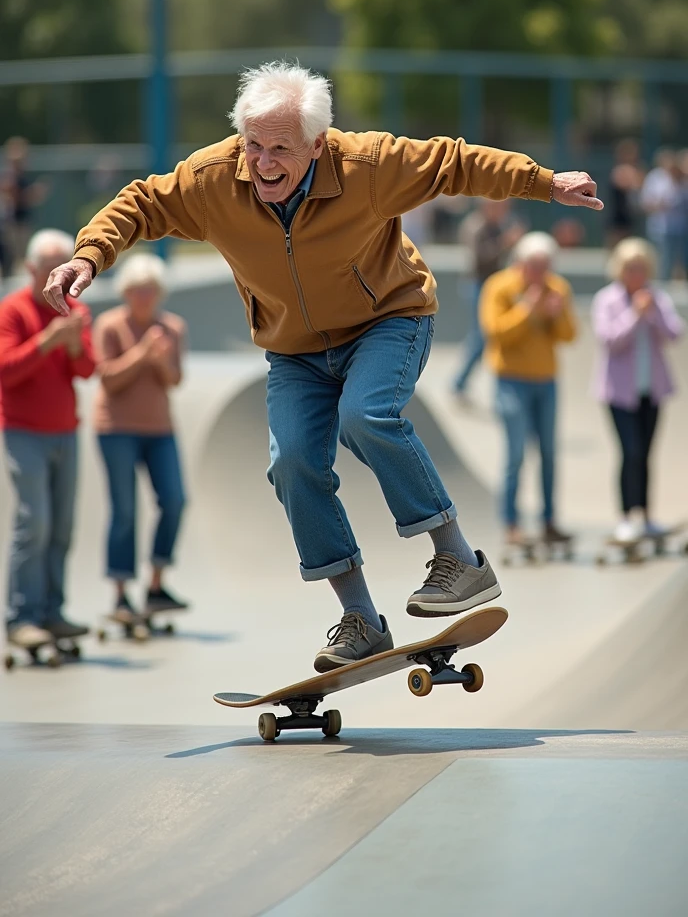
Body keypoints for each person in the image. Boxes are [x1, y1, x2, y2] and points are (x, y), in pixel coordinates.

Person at [43, 61, 603, 672]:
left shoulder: (367, 165)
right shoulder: (213, 180)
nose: (263, 164)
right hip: (294, 350)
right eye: (253, 146)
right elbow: (143, 202)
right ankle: (360, 617)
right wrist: (89, 256)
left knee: (365, 415)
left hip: (388, 319)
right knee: (292, 464)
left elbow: (455, 161)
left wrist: (546, 182)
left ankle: (458, 560)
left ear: (317, 143)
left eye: (281, 149)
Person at [0, 230, 94, 649]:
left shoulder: (75, 311)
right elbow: (5, 370)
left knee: (61, 525)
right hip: (23, 430)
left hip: (65, 431)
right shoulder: (13, 310)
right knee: (33, 522)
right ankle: (22, 617)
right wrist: (46, 342)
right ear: (31, 269)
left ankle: (52, 613)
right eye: (46, 269)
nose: (54, 281)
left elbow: (88, 370)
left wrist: (72, 345)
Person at [92, 253, 187, 622]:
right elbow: (109, 378)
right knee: (125, 510)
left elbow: (174, 380)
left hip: (160, 428)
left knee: (175, 500)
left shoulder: (173, 327)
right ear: (126, 293)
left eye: (151, 290)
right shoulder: (110, 325)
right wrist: (142, 354)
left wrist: (160, 360)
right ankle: (120, 593)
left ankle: (156, 584)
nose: (145, 297)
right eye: (137, 290)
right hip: (116, 429)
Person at [480, 232, 577, 547]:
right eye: (534, 265)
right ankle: (511, 523)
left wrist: (556, 313)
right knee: (516, 454)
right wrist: (526, 310)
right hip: (511, 380)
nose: (540, 272)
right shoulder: (499, 287)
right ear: (520, 263)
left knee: (549, 452)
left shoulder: (557, 289)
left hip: (545, 381)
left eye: (545, 265)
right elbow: (495, 333)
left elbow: (569, 335)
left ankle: (549, 521)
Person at [591, 238, 684, 542]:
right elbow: (609, 340)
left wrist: (652, 313)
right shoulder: (607, 300)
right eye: (631, 268)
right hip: (619, 393)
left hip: (651, 390)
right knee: (629, 452)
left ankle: (646, 515)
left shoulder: (656, 297)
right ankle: (626, 516)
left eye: (641, 268)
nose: (636, 274)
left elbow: (674, 333)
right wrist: (635, 315)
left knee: (645, 454)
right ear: (620, 269)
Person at [453, 199, 525, 397]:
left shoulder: (500, 225)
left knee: (486, 337)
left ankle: (463, 383)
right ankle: (459, 382)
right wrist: (505, 242)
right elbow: (480, 258)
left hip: (495, 285)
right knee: (481, 337)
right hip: (478, 285)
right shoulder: (475, 226)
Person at [0, 137, 48, 275]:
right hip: (13, 220)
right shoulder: (8, 175)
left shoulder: (22, 174)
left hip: (22, 219)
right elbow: (14, 198)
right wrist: (32, 193)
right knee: (16, 254)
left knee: (22, 253)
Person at [639, 148, 685, 281]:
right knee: (663, 258)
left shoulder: (681, 177)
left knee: (680, 259)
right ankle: (662, 283)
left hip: (681, 227)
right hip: (660, 227)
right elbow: (646, 202)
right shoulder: (655, 178)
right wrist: (661, 204)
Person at [605, 139, 644, 248]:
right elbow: (630, 182)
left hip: (629, 218)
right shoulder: (618, 171)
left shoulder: (633, 169)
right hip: (617, 219)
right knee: (616, 249)